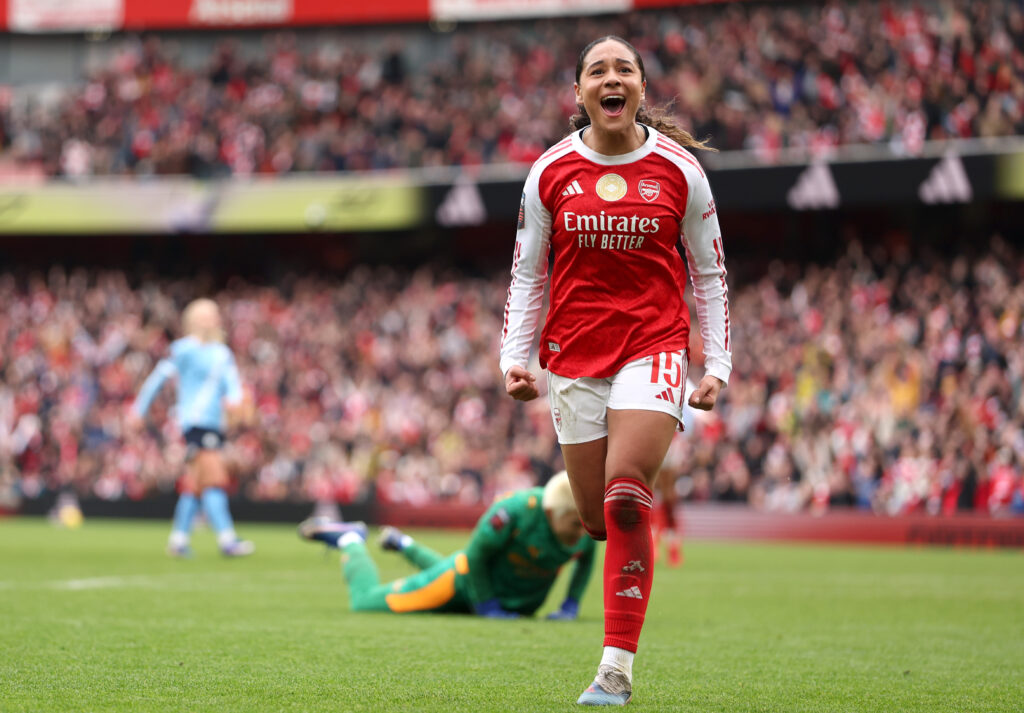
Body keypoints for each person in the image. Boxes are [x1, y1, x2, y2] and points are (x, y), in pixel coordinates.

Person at [499, 36, 732, 706]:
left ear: (639, 88)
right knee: (598, 519)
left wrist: (715, 363)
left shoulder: (680, 171)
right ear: (578, 94)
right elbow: (526, 272)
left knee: (629, 493)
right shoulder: (549, 171)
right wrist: (515, 358)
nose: (611, 78)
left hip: (654, 345)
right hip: (574, 354)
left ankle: (615, 669)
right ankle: (618, 598)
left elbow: (710, 272)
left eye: (623, 69)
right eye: (597, 71)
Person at [297, 471, 594, 619]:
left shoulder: (584, 520)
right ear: (553, 512)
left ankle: (403, 543)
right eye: (574, 525)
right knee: (364, 603)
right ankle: (350, 539)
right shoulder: (515, 511)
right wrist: (488, 606)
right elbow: (475, 556)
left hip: (501, 597)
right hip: (464, 586)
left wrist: (571, 603)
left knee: (449, 567)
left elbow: (587, 556)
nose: (581, 533)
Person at [129, 298, 254, 558]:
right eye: (207, 315)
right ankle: (227, 539)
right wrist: (138, 410)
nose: (213, 320)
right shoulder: (184, 349)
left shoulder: (222, 353)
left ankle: (178, 540)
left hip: (215, 423)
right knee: (214, 480)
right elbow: (157, 380)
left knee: (195, 485)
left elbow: (232, 386)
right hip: (194, 422)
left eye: (214, 315)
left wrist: (236, 403)